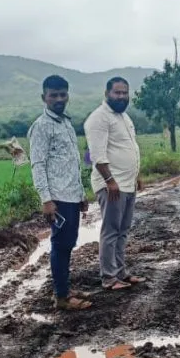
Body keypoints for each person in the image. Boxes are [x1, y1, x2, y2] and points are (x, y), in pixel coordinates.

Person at [27, 75, 91, 311]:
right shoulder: (41, 127)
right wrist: (46, 199)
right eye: (53, 95)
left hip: (71, 195)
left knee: (69, 243)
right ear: (44, 97)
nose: (58, 99)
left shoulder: (65, 123)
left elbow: (73, 162)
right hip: (58, 198)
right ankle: (62, 297)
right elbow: (38, 165)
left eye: (62, 94)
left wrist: (82, 193)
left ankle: (64, 287)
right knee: (60, 245)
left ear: (68, 96)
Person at [83, 76, 147, 291]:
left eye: (124, 93)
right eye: (117, 93)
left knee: (123, 230)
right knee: (111, 231)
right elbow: (97, 154)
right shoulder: (99, 118)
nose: (121, 97)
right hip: (112, 185)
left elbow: (130, 148)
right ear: (107, 94)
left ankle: (121, 272)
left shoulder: (124, 117)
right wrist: (110, 181)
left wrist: (136, 175)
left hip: (126, 183)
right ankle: (109, 277)